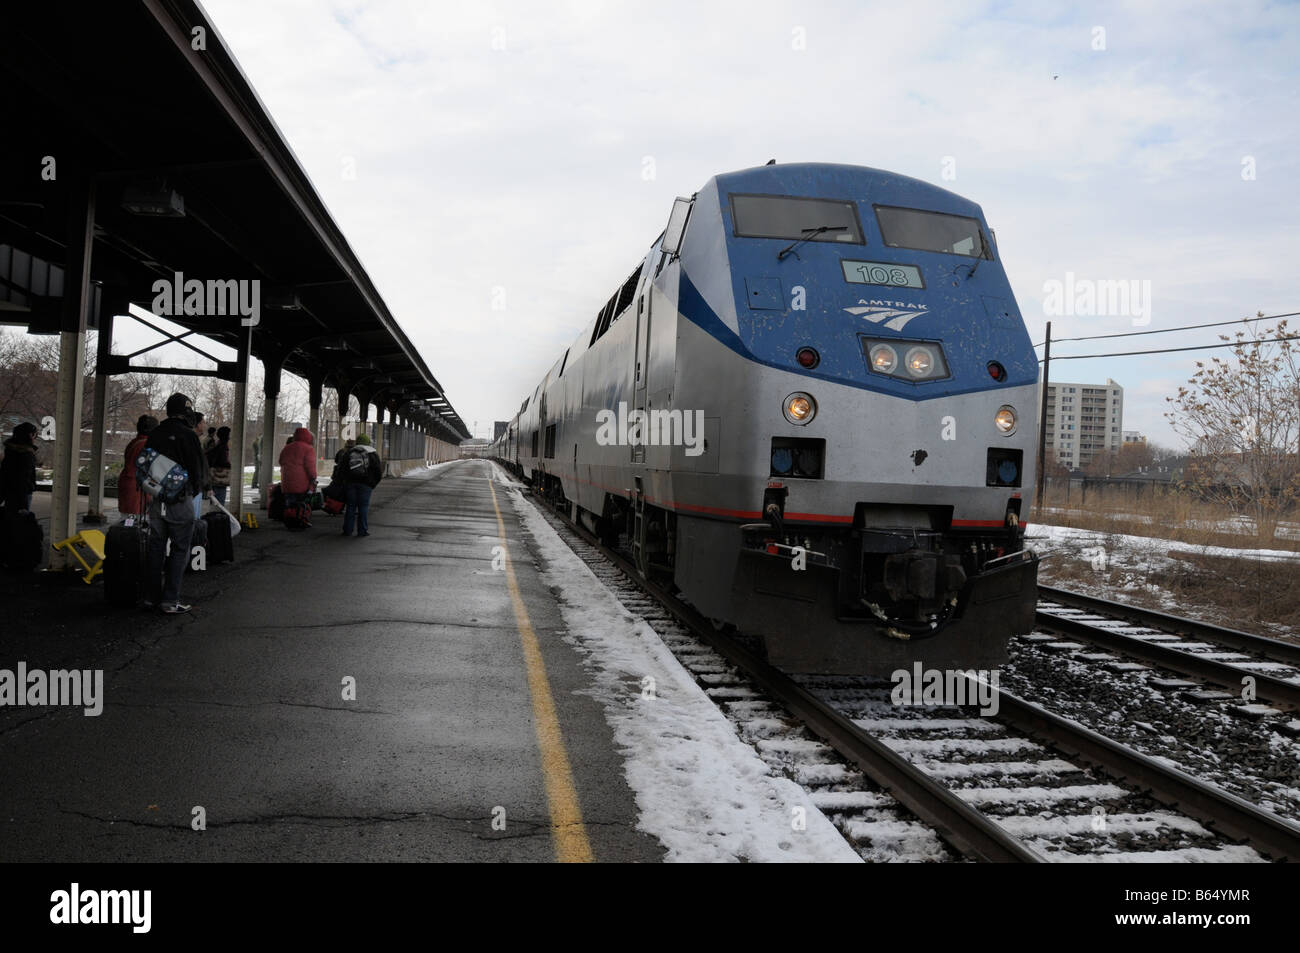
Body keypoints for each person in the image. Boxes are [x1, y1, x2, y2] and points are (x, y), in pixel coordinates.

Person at [144, 393, 206, 614]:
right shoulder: (188, 436)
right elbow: (198, 470)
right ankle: (170, 601)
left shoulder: (155, 434)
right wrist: (193, 491)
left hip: (156, 500)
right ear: (187, 411)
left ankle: (151, 598)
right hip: (180, 500)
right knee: (180, 549)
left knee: (156, 548)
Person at [341, 433, 382, 538]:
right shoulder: (372, 453)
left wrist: (345, 481)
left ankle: (347, 530)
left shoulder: (349, 452)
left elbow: (342, 468)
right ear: (368, 442)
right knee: (363, 507)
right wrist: (372, 484)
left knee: (350, 506)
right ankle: (362, 531)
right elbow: (378, 471)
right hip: (366, 485)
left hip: (351, 483)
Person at [117, 414, 158, 517]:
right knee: (135, 522)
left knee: (127, 519)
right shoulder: (146, 445)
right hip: (137, 488)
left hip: (127, 483)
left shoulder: (134, 442)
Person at [278, 427, 317, 521]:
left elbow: (280, 461)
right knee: (301, 503)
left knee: (290, 504)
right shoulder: (308, 449)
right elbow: (310, 466)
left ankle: (289, 519)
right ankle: (299, 519)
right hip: (301, 482)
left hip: (287, 482)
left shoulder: (287, 447)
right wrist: (313, 477)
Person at [1, 422, 39, 513]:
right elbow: (23, 478)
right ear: (30, 435)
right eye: (34, 435)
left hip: (9, 492)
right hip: (22, 495)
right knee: (20, 521)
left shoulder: (10, 451)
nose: (35, 438)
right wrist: (23, 505)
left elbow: (4, 474)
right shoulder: (26, 454)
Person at [207, 426, 232, 506]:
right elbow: (222, 461)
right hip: (220, 478)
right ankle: (217, 516)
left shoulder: (217, 445)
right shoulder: (223, 447)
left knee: (216, 501)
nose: (229, 437)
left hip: (215, 478)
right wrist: (228, 465)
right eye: (228, 435)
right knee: (219, 503)